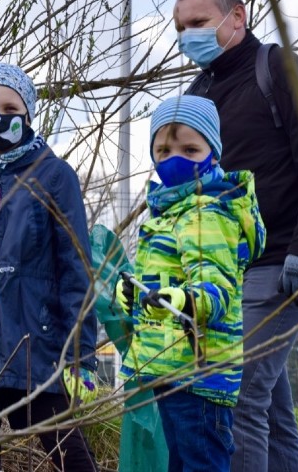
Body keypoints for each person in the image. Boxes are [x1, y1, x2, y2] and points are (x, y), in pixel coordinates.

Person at [173, 0, 298, 471]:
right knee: (268, 408)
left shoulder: (281, 71)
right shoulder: (198, 94)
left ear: (237, 16)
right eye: (180, 28)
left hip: (281, 264)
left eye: (198, 23)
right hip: (225, 274)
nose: (187, 36)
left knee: (237, 394)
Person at [0, 63, 98, 471]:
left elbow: (76, 270)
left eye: (9, 106)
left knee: (70, 457)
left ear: (28, 114)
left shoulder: (54, 176)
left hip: (36, 354)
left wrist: (81, 356)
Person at [115, 95, 266, 471]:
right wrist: (132, 295)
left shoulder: (207, 213)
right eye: (163, 150)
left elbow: (217, 291)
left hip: (201, 374)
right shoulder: (168, 212)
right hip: (171, 368)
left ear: (213, 153)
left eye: (190, 148)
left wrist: (184, 300)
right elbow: (160, 283)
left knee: (201, 462)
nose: (174, 159)